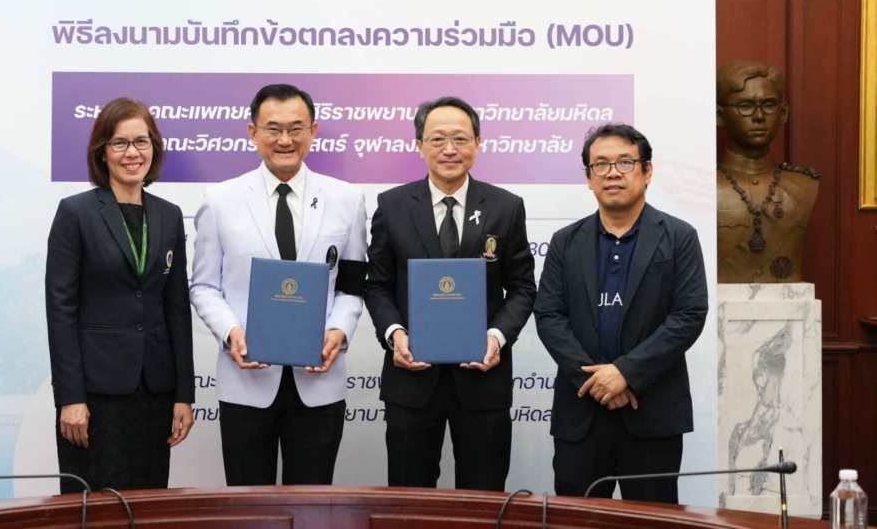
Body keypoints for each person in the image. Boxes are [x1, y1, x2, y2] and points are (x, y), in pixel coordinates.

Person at [190, 84, 368, 486]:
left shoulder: (347, 199)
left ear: (313, 131)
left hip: (319, 380)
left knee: (312, 503)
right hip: (246, 381)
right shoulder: (220, 200)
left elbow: (352, 285)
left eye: (295, 128)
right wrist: (231, 331)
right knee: (248, 507)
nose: (285, 140)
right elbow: (203, 286)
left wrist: (339, 330)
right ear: (252, 132)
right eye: (273, 129)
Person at [363, 96, 536, 492]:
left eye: (460, 138)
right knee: (410, 499)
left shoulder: (506, 207)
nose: (449, 149)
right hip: (411, 379)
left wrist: (496, 337)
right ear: (419, 145)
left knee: (483, 498)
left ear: (478, 143)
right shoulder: (392, 205)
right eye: (437, 139)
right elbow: (378, 285)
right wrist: (394, 334)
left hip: (483, 380)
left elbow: (523, 287)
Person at [533, 123, 707, 503]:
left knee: (651, 520)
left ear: (647, 171)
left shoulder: (679, 236)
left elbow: (689, 314)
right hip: (581, 410)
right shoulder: (565, 241)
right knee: (575, 519)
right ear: (588, 178)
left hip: (652, 411)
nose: (612, 173)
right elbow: (548, 315)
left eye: (625, 162)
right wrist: (597, 381)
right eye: (601, 164)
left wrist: (626, 373)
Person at [45, 97, 195, 493]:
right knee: (94, 509)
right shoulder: (75, 213)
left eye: (142, 141)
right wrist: (70, 398)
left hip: (155, 392)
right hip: (95, 395)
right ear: (103, 151)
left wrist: (184, 394)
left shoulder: (169, 215)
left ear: (153, 148)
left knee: (147, 504)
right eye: (120, 143)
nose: (133, 153)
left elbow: (177, 308)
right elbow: (60, 310)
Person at [716, 60, 820, 283]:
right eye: (745, 106)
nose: (759, 116)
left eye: (769, 104)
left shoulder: (805, 185)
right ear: (719, 116)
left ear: (783, 113)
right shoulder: (706, 186)